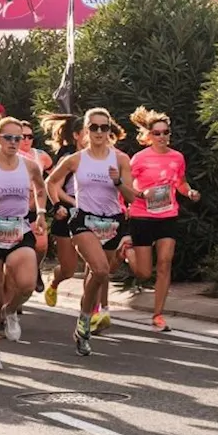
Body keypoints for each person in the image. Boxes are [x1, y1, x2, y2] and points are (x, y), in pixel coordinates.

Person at [46, 108, 137, 356]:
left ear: (110, 130)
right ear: (85, 130)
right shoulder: (76, 159)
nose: (98, 132)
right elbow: (50, 182)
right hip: (83, 220)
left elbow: (131, 197)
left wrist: (118, 182)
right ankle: (86, 324)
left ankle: (83, 321)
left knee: (96, 278)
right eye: (93, 127)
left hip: (112, 222)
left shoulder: (120, 159)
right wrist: (58, 206)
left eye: (103, 127)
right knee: (100, 270)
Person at [0, 106, 48, 370]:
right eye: (9, 138)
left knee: (26, 285)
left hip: (19, 231)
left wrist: (41, 213)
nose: (14, 143)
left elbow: (41, 187)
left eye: (19, 138)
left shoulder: (29, 165)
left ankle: (12, 309)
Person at [126, 107, 199, 333]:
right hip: (142, 215)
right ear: (149, 136)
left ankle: (158, 315)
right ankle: (127, 251)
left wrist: (190, 192)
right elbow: (128, 185)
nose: (162, 137)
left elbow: (181, 183)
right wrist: (141, 194)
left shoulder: (177, 157)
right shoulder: (139, 159)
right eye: (156, 133)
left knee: (165, 263)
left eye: (165, 132)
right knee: (144, 273)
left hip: (168, 215)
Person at [40, 114, 86, 308]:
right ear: (76, 135)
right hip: (67, 212)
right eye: (89, 130)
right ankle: (55, 282)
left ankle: (94, 309)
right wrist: (72, 202)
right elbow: (54, 186)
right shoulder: (68, 157)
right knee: (68, 269)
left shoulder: (104, 156)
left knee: (96, 265)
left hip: (92, 214)